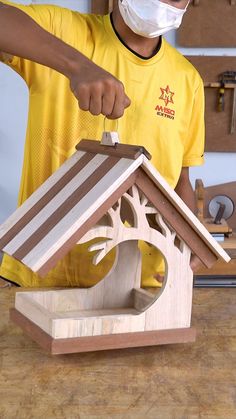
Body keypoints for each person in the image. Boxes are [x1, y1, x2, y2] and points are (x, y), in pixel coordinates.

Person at [0, 0, 204, 288]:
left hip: (142, 283)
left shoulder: (188, 79)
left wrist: (188, 239)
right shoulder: (64, 31)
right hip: (43, 276)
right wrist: (76, 65)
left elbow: (181, 176)